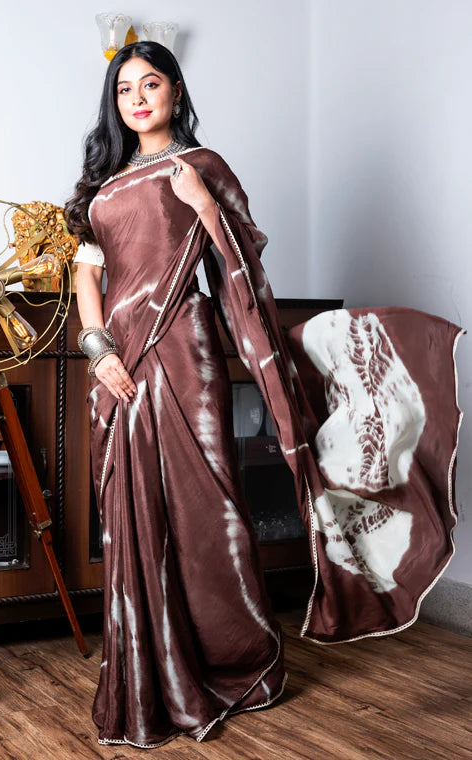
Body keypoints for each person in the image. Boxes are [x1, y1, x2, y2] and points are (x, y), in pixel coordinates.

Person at [64, 41, 464, 750]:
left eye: (150, 83)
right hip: (119, 363)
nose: (138, 98)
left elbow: (241, 261)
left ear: (175, 90)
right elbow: (86, 277)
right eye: (124, 89)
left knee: (207, 509)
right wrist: (99, 354)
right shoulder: (102, 185)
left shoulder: (201, 166)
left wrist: (203, 206)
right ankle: (150, 669)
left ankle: (237, 660)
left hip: (184, 352)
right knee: (134, 509)